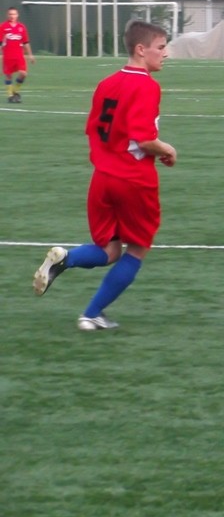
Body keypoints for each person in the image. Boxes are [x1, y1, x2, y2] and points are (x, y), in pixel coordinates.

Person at [32, 20, 177, 331]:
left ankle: (66, 258)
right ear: (141, 49)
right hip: (133, 180)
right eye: (161, 47)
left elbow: (94, 129)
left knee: (110, 251)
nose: (166, 53)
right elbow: (143, 138)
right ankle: (91, 314)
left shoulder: (106, 83)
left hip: (102, 178)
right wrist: (167, 149)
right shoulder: (147, 85)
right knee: (136, 249)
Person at [2, 6, 35, 103]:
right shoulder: (3, 27)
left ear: (17, 15)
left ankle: (15, 91)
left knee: (23, 73)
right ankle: (10, 96)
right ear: (7, 15)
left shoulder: (21, 27)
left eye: (14, 14)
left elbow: (26, 42)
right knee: (8, 75)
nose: (12, 16)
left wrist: (30, 55)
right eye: (10, 14)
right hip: (8, 55)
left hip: (19, 55)